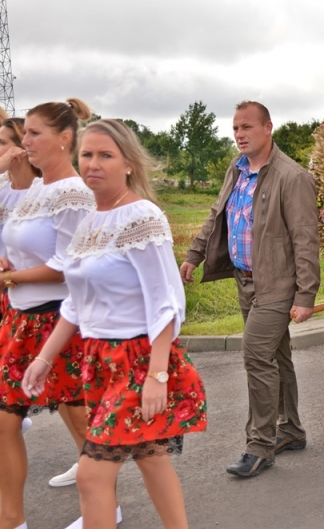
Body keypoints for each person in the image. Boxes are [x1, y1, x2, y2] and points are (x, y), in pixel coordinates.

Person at [24, 119, 207, 529]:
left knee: (91, 475)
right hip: (99, 360)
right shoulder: (89, 222)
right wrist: (44, 357)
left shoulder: (142, 216)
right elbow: (76, 303)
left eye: (105, 155)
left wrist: (157, 374)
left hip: (138, 358)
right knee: (151, 456)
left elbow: (167, 303)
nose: (93, 163)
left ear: (128, 163)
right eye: (87, 154)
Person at [180, 101, 320, 478]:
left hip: (277, 284)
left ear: (268, 128)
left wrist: (306, 295)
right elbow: (216, 213)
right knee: (278, 355)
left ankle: (259, 446)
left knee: (256, 356)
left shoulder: (293, 177)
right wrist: (194, 254)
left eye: (246, 127)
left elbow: (306, 240)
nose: (239, 135)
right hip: (245, 280)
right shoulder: (237, 170)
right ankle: (289, 430)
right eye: (235, 129)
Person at [0, 99, 95, 529]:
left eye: (34, 133)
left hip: (58, 319)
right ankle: (12, 520)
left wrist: (13, 279)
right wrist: (9, 267)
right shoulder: (35, 189)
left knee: (79, 420)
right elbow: (19, 245)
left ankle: (102, 508)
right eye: (24, 133)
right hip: (22, 319)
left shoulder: (73, 192)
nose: (25, 141)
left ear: (65, 139)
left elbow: (67, 267)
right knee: (5, 421)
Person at [0, 117, 41, 441]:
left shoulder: (43, 192)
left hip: (36, 297)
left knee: (67, 395)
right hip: (8, 292)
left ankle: (89, 455)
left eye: (2, 143)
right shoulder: (2, 189)